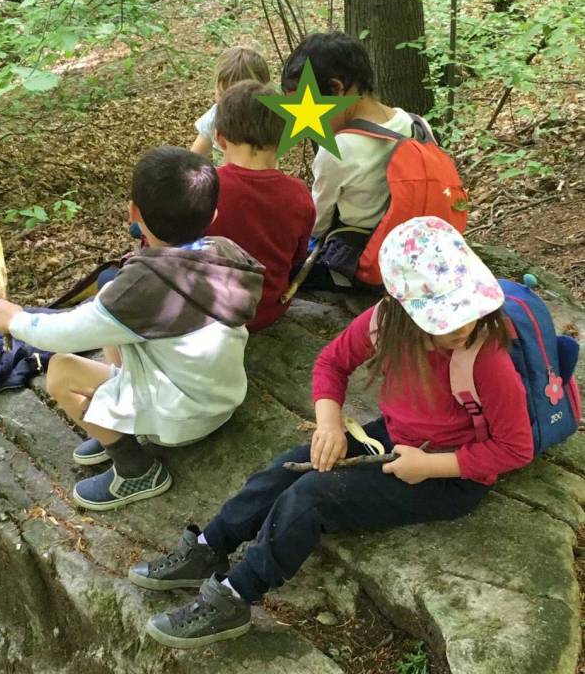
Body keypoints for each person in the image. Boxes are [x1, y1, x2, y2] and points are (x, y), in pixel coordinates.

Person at [129, 216, 534, 649]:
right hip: (394, 438)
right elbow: (332, 363)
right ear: (404, 307)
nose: (462, 326)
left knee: (312, 497)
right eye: (444, 317)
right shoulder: (386, 322)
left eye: (467, 310)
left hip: (449, 475)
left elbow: (516, 448)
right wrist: (329, 424)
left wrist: (431, 466)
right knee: (284, 469)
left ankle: (236, 594)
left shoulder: (485, 358)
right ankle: (211, 544)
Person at [0, 146, 264, 512]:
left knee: (60, 372)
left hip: (183, 416)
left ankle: (135, 468)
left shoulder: (142, 288)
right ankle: (116, 422)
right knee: (109, 312)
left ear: (133, 212)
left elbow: (62, 335)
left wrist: (15, 320)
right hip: (219, 398)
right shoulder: (226, 252)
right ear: (213, 215)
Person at [281, 31, 434, 290]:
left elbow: (316, 223)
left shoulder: (338, 149)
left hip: (358, 267)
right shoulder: (416, 123)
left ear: (336, 88)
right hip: (415, 254)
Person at [206, 80, 315, 332]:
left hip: (213, 313)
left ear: (220, 139)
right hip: (267, 312)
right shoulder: (298, 193)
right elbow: (297, 256)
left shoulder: (206, 187)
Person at [191, 46, 271, 162]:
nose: (228, 105)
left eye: (238, 99)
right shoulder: (213, 118)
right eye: (221, 95)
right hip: (222, 179)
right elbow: (194, 158)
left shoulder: (265, 122)